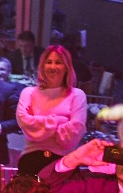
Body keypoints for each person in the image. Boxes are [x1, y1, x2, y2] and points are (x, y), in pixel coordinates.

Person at [16, 45, 87, 175]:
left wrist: (40, 126)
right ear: (42, 66)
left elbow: (72, 137)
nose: (53, 67)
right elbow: (25, 123)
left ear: (67, 67)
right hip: (31, 158)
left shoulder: (77, 95)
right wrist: (60, 121)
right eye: (49, 62)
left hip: (65, 161)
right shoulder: (28, 93)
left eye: (58, 62)